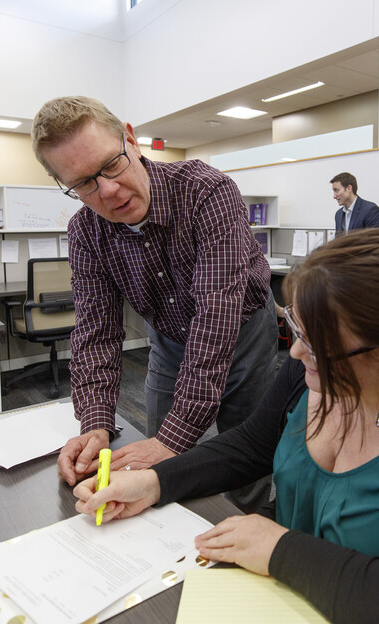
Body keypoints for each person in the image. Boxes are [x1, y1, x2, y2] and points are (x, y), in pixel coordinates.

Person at [75, 228, 379, 623]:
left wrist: (281, 550)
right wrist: (154, 482)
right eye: (297, 329)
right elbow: (251, 445)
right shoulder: (316, 363)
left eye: (315, 346)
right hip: (297, 598)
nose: (294, 354)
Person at [31, 96, 279, 498]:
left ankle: (246, 522)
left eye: (111, 165)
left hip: (244, 329)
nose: (108, 191)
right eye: (83, 184)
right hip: (167, 336)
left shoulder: (207, 192)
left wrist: (172, 441)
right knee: (160, 458)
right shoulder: (85, 232)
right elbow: (96, 331)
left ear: (131, 139)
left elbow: (216, 316)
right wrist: (95, 424)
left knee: (244, 449)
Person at [331, 171, 379, 237]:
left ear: (349, 188)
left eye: (336, 190)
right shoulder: (338, 214)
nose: (334, 196)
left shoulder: (371, 210)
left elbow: (376, 242)